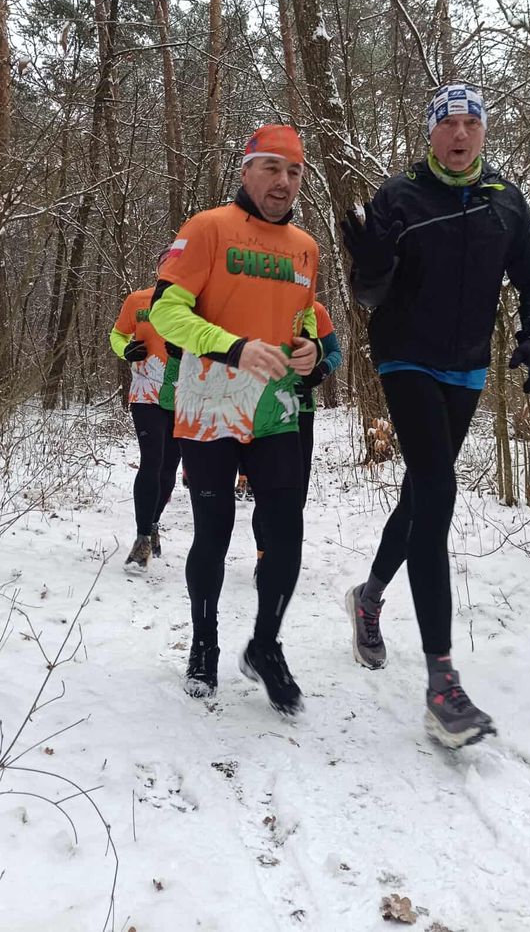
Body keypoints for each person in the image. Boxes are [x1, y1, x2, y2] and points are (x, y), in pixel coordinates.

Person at [342, 82, 530, 749]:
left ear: (483, 134)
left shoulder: (506, 202)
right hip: (405, 357)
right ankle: (442, 685)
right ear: (430, 133)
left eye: (471, 124)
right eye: (448, 123)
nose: (460, 134)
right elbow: (368, 293)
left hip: (467, 365)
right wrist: (371, 269)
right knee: (438, 490)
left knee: (421, 494)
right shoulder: (399, 196)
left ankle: (368, 598)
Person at [149, 124, 321, 714]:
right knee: (214, 532)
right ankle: (204, 643)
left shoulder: (306, 247)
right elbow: (166, 312)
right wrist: (232, 346)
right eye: (271, 167)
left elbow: (302, 322)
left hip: (275, 408)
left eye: (293, 171)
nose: (283, 181)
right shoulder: (208, 228)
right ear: (246, 170)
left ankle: (265, 645)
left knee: (286, 533)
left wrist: (310, 351)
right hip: (209, 403)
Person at [252, 299, 342, 577]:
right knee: (267, 488)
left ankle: (279, 550)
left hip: (301, 409)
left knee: (296, 490)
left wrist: (321, 370)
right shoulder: (262, 301)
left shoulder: (315, 310)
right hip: (264, 407)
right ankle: (264, 556)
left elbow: (335, 352)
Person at [110, 250, 182, 568]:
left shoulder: (199, 304)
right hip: (145, 393)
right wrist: (125, 349)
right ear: (158, 270)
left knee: (169, 468)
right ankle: (141, 538)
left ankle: (153, 523)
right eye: (167, 265)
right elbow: (117, 334)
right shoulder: (138, 300)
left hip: (184, 395)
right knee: (152, 461)